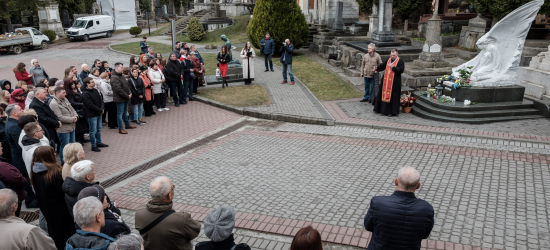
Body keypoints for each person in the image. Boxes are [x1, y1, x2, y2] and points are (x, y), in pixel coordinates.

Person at [364, 166, 434, 250]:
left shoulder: (378, 203)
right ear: (418, 185)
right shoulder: (427, 209)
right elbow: (425, 235)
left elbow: (368, 226)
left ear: (396, 181)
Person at [135, 176, 200, 250]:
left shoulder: (139, 212)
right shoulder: (181, 219)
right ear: (169, 195)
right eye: (173, 187)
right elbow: (196, 230)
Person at [30, 146, 76, 249]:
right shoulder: (52, 174)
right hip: (60, 210)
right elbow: (64, 189)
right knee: (64, 234)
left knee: (54, 232)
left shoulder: (35, 172)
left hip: (47, 209)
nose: (55, 154)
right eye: (52, 153)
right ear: (48, 156)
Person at [5, 104, 37, 208]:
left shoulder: (13, 123)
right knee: (26, 179)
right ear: (14, 113)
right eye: (20, 109)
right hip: (20, 158)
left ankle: (31, 197)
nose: (23, 110)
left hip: (19, 156)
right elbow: (20, 143)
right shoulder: (14, 126)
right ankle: (30, 200)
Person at [49, 87, 78, 164]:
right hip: (63, 129)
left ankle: (72, 160)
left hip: (72, 126)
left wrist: (75, 116)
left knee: (72, 145)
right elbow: (59, 117)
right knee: (65, 146)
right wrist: (72, 119)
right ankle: (64, 162)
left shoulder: (65, 99)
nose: (66, 94)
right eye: (63, 93)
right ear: (57, 93)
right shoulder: (53, 104)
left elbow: (72, 109)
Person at [373, 49, 404, 117]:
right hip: (386, 81)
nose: (392, 56)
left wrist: (393, 67)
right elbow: (382, 66)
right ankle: (382, 110)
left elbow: (401, 70)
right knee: (383, 94)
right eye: (391, 55)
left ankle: (391, 112)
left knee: (392, 97)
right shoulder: (388, 60)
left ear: (397, 55)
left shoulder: (400, 61)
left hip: (394, 83)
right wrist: (376, 68)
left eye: (394, 55)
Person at [81, 77, 109, 152]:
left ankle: (99, 142)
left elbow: (101, 100)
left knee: (99, 129)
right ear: (87, 84)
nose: (94, 83)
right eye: (92, 82)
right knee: (93, 130)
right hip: (92, 114)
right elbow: (90, 105)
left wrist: (102, 108)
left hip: (99, 113)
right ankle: (93, 145)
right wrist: (99, 110)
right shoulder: (85, 94)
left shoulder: (95, 90)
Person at [0, 144, 27, 217]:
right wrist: (23, 178)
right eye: (0, 146)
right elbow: (17, 179)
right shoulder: (2, 166)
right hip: (9, 199)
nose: (2, 148)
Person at [110, 63, 136, 134]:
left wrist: (130, 93)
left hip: (125, 97)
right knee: (120, 114)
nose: (123, 69)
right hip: (119, 99)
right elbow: (118, 89)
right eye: (121, 67)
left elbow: (126, 86)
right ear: (117, 68)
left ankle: (127, 124)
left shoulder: (121, 75)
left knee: (125, 113)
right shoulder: (114, 77)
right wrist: (127, 95)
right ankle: (120, 128)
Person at [65, 79, 90, 144]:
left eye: (74, 84)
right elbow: (72, 103)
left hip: (81, 110)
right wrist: (82, 104)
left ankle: (82, 138)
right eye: (72, 84)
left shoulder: (77, 90)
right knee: (78, 126)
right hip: (76, 110)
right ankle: (78, 139)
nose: (74, 85)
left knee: (83, 125)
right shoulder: (69, 93)